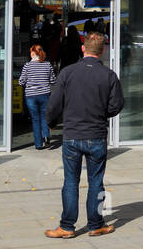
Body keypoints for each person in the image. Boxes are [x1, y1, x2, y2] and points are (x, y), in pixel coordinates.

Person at [44, 32, 125, 238]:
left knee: (70, 181)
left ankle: (67, 226)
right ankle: (95, 224)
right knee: (96, 181)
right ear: (103, 50)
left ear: (83, 48)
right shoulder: (109, 75)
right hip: (96, 134)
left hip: (72, 134)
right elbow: (116, 105)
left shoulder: (68, 72)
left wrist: (51, 122)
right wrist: (101, 114)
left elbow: (55, 103)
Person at [18, 44, 56, 149]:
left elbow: (21, 81)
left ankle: (38, 144)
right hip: (45, 94)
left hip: (31, 96)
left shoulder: (27, 66)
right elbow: (53, 80)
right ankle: (46, 137)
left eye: (31, 52)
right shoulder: (47, 64)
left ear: (33, 53)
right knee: (44, 116)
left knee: (35, 119)